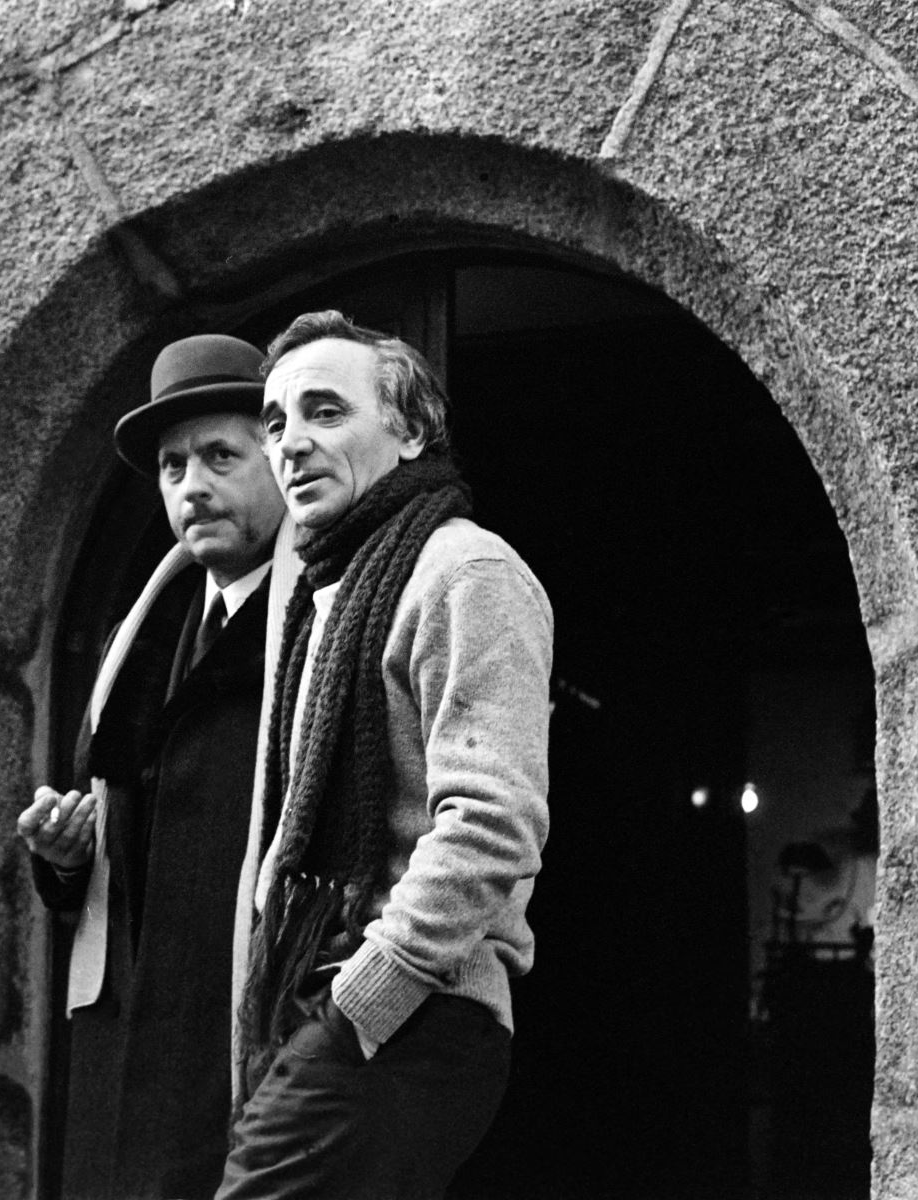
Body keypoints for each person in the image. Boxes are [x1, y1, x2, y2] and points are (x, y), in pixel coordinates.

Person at [220, 311, 553, 1199]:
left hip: (411, 1015)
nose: (290, 443)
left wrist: (364, 1002)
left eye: (326, 412)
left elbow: (493, 821)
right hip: (326, 1004)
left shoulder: (465, 570)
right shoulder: (324, 597)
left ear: (408, 431)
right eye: (277, 421)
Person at [16, 334, 291, 1199]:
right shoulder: (143, 629)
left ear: (282, 458)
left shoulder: (324, 620)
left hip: (248, 1023)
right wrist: (64, 859)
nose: (193, 487)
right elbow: (118, 841)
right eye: (173, 467)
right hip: (133, 1023)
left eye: (220, 455)